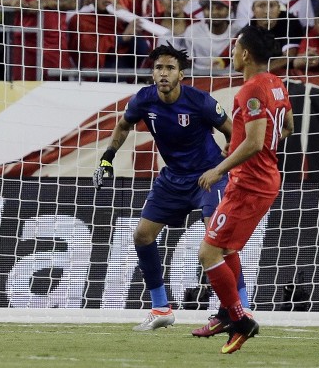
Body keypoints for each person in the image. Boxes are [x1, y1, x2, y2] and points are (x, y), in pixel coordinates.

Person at [94, 44, 237, 331]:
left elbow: (233, 133)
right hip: (173, 179)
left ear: (181, 74)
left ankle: (234, 310)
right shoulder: (144, 100)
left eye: (170, 68)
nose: (163, 73)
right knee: (142, 236)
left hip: (208, 178)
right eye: (159, 68)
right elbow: (123, 125)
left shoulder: (200, 101)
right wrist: (107, 158)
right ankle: (161, 308)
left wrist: (223, 166)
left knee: (217, 242)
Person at [197, 24, 294, 354]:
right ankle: (227, 313)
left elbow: (254, 142)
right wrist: (242, 145)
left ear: (246, 54)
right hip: (262, 179)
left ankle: (241, 321)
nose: (233, 52)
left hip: (249, 183)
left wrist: (218, 169)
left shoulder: (250, 90)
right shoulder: (276, 84)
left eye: (236, 47)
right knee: (227, 249)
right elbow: (287, 128)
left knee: (208, 252)